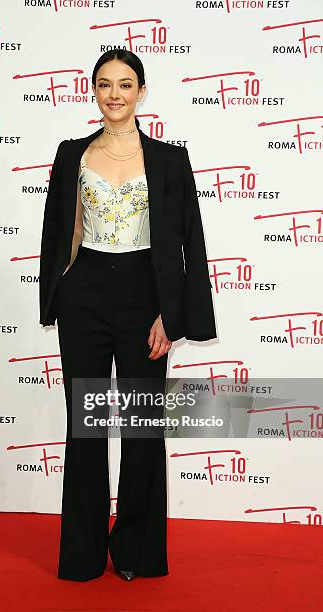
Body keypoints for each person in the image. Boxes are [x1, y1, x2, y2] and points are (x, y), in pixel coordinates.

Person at [39, 50, 217, 582]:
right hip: (85, 295)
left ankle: (136, 552)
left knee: (142, 430)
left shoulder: (169, 160)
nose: (114, 93)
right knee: (87, 429)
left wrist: (173, 313)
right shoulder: (71, 154)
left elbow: (190, 242)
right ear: (93, 91)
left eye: (125, 84)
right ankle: (83, 554)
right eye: (104, 84)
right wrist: (59, 296)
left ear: (142, 91)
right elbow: (55, 234)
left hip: (145, 298)